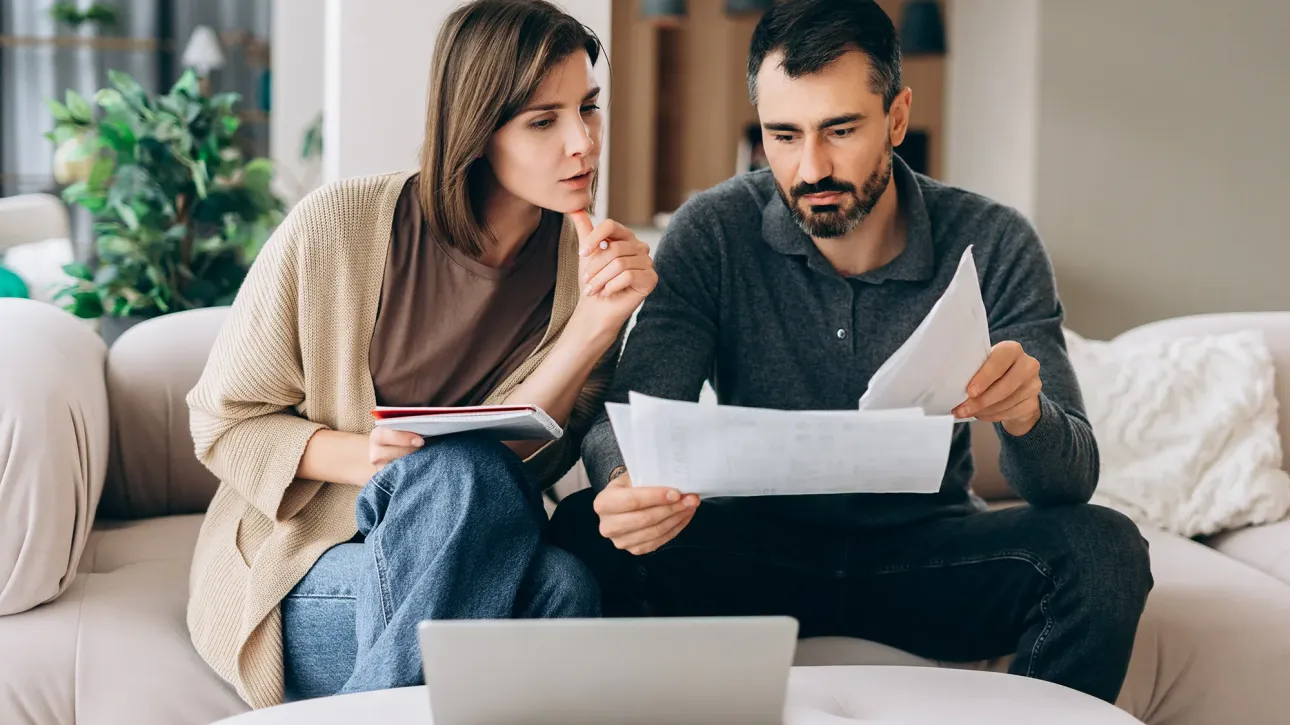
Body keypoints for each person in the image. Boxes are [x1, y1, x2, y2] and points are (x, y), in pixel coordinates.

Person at [550, 0, 1152, 706]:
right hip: (752, 549)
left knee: (1104, 549)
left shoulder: (995, 240)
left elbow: (1067, 481)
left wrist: (1025, 414)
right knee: (583, 531)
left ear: (896, 118)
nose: (811, 167)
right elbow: (630, 413)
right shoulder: (712, 231)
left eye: (840, 130)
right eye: (783, 134)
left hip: (927, 551)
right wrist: (623, 481)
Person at [185, 0, 657, 707]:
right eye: (543, 121)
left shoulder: (581, 268)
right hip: (313, 567)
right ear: (476, 130)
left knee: (565, 580)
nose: (583, 142)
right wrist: (375, 455)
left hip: (474, 554)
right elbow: (223, 424)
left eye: (588, 108)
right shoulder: (335, 227)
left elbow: (538, 458)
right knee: (458, 473)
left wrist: (593, 326)